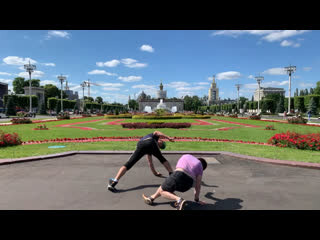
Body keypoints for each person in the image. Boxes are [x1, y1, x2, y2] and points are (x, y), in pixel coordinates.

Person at [107, 131, 175, 192]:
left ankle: (114, 182)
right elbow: (157, 132)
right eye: (161, 143)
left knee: (129, 164)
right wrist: (168, 137)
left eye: (160, 146)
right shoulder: (154, 138)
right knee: (162, 159)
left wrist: (155, 172)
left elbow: (150, 161)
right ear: (160, 140)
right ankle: (172, 175)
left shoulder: (153, 145)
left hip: (141, 144)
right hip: (148, 142)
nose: (160, 144)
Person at [142, 154, 207, 210]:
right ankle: (151, 198)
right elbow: (198, 185)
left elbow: (177, 167)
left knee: (162, 191)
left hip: (179, 174)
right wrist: (196, 199)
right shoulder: (200, 167)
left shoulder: (187, 156)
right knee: (165, 187)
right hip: (187, 185)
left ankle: (179, 200)